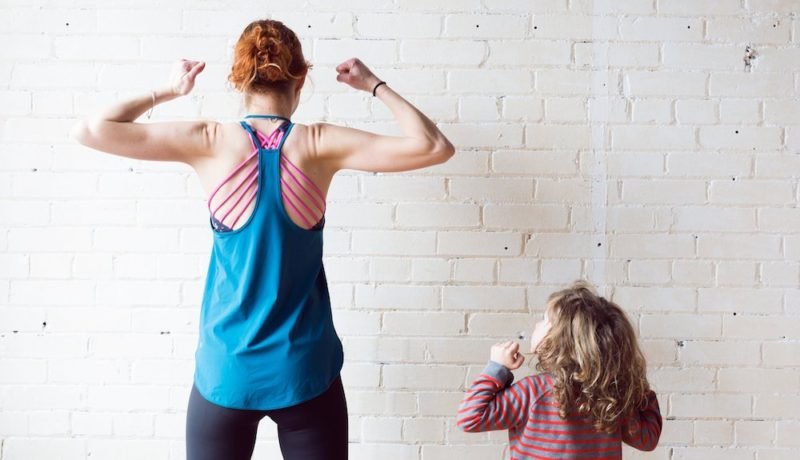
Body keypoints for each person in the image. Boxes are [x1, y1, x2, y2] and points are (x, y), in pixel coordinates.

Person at [71, 18, 454, 460]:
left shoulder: (208, 140)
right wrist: (374, 85)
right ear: (302, 77)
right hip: (305, 370)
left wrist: (169, 91)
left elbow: (90, 129)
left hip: (227, 371)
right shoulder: (319, 143)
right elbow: (433, 146)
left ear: (237, 79)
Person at [457, 281, 662, 459]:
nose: (537, 323)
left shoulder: (532, 392)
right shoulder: (611, 396)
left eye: (545, 320)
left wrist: (497, 368)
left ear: (561, 339)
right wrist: (636, 385)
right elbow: (647, 439)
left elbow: (470, 418)